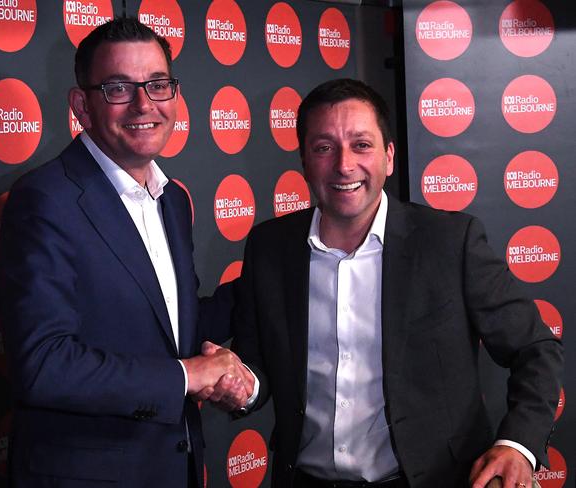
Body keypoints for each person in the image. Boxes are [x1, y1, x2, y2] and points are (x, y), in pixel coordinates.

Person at [227, 78, 563, 488]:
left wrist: (517, 445)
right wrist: (241, 384)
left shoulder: (450, 242)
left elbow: (535, 347)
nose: (344, 164)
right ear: (304, 160)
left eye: (361, 145)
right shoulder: (268, 247)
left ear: (389, 156)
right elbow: (257, 365)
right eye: (324, 147)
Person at [0, 18, 251, 488]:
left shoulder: (171, 199)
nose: (144, 104)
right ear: (82, 106)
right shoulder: (45, 199)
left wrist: (277, 276)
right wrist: (186, 377)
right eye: (118, 88)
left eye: (157, 85)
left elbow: (174, 326)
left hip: (175, 468)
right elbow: (43, 364)